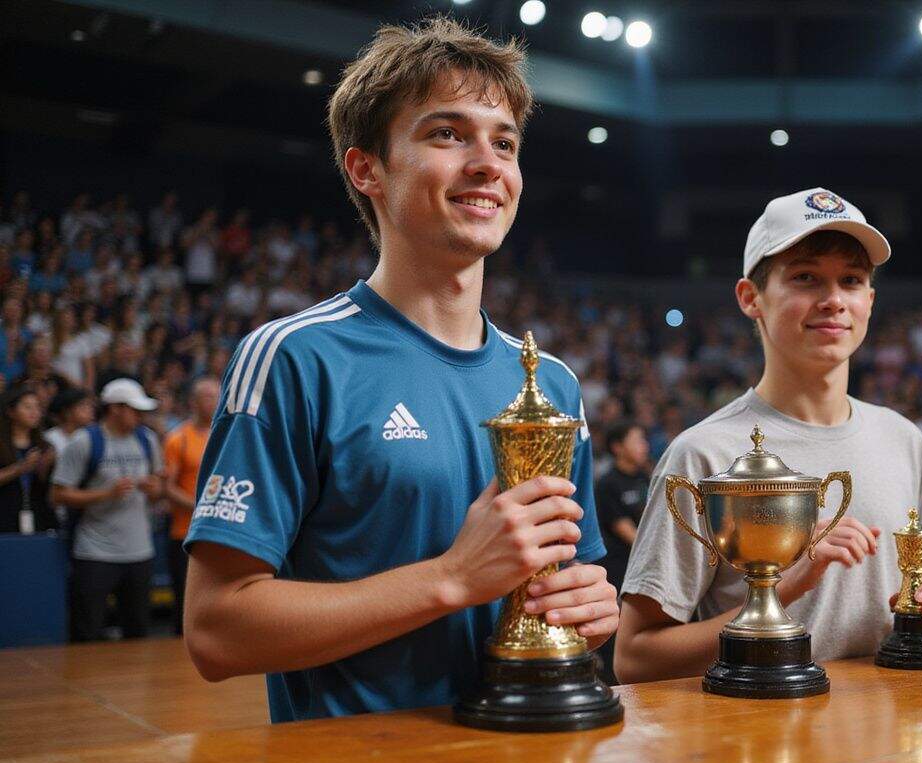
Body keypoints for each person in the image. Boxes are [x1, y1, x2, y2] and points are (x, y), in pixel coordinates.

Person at [182, 18, 617, 722]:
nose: (488, 164)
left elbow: (564, 581)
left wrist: (591, 607)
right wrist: (450, 579)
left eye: (503, 143)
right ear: (366, 169)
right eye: (447, 134)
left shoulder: (554, 384)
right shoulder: (295, 357)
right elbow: (214, 631)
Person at [615, 188, 922, 685]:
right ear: (751, 298)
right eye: (805, 277)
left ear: (869, 301)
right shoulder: (703, 453)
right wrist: (781, 589)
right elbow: (634, 659)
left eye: (851, 281)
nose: (833, 300)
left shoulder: (903, 439)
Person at [50, 379, 165, 641]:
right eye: (134, 410)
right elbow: (57, 494)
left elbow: (159, 488)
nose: (140, 416)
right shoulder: (85, 441)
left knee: (137, 632)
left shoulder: (147, 439)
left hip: (139, 551)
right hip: (95, 552)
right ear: (115, 409)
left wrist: (153, 488)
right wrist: (107, 494)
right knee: (87, 632)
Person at [592, 420, 650, 683]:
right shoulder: (607, 483)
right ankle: (614, 679)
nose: (644, 446)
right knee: (617, 627)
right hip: (619, 567)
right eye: (636, 440)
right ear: (617, 447)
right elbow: (629, 533)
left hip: (644, 563)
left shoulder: (644, 478)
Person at [162, 377, 220, 635]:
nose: (214, 401)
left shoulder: (226, 434)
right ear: (193, 401)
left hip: (220, 533)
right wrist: (201, 507)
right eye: (207, 396)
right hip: (185, 532)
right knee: (186, 602)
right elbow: (168, 487)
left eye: (217, 395)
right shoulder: (178, 439)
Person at [0, 387, 57, 534]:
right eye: (27, 407)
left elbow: (51, 491)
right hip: (5, 514)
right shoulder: (2, 444)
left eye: (37, 407)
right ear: (10, 411)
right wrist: (21, 468)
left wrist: (44, 469)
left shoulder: (45, 446)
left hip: (38, 515)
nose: (34, 412)